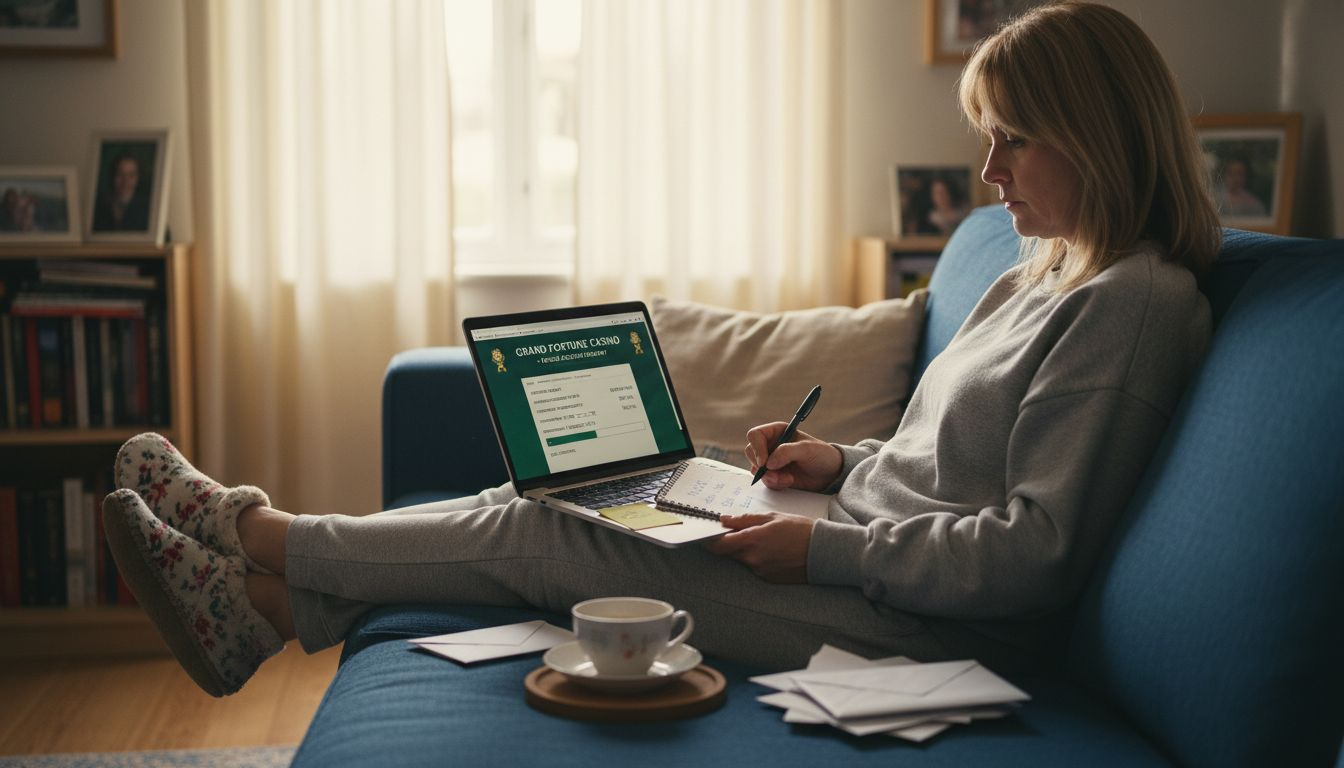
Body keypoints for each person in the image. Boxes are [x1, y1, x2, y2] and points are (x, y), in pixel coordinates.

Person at [103, 1, 1222, 698]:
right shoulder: (1037, 274)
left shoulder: (1135, 305)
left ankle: (259, 540)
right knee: (576, 485)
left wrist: (820, 551)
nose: (990, 176)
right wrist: (829, 467)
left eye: (1011, 141)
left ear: (1097, 131)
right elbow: (939, 466)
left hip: (912, 624)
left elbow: (1032, 554)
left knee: (545, 532)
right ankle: (277, 604)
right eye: (987, 141)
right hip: (857, 549)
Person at [92, 151, 150, 232]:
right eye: (120, 174)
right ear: (113, 176)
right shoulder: (100, 207)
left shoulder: (148, 210)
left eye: (131, 175)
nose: (125, 181)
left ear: (138, 178)